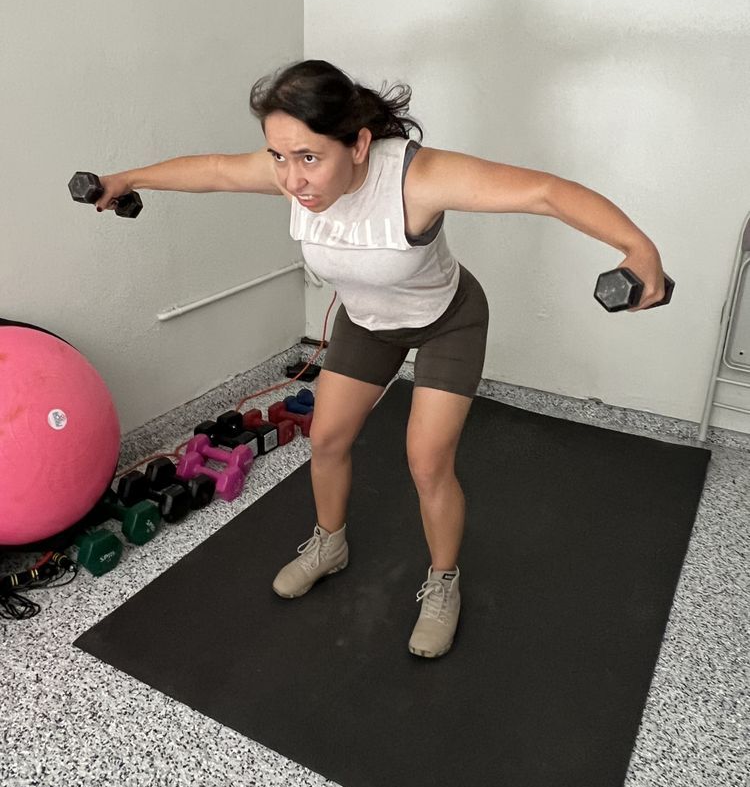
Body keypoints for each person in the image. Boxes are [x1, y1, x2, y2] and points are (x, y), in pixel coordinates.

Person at [94, 59, 667, 659]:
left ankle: (443, 582)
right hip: (369, 323)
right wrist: (126, 177)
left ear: (360, 143)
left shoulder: (414, 179)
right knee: (328, 440)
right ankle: (328, 543)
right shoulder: (292, 172)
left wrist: (638, 247)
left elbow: (545, 193)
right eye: (279, 157)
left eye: (309, 158)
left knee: (426, 462)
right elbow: (211, 170)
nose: (292, 179)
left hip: (448, 322)